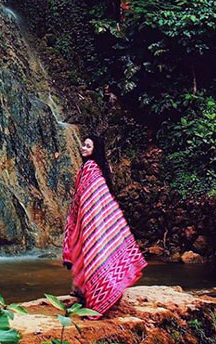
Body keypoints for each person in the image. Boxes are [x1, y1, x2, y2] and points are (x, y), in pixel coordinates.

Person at [62, 135, 146, 315]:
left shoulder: (91, 169)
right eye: (83, 145)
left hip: (92, 219)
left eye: (88, 146)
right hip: (89, 219)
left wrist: (89, 220)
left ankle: (97, 293)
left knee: (91, 252)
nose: (83, 148)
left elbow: (92, 199)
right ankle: (86, 291)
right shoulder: (90, 168)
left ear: (95, 150)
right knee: (87, 253)